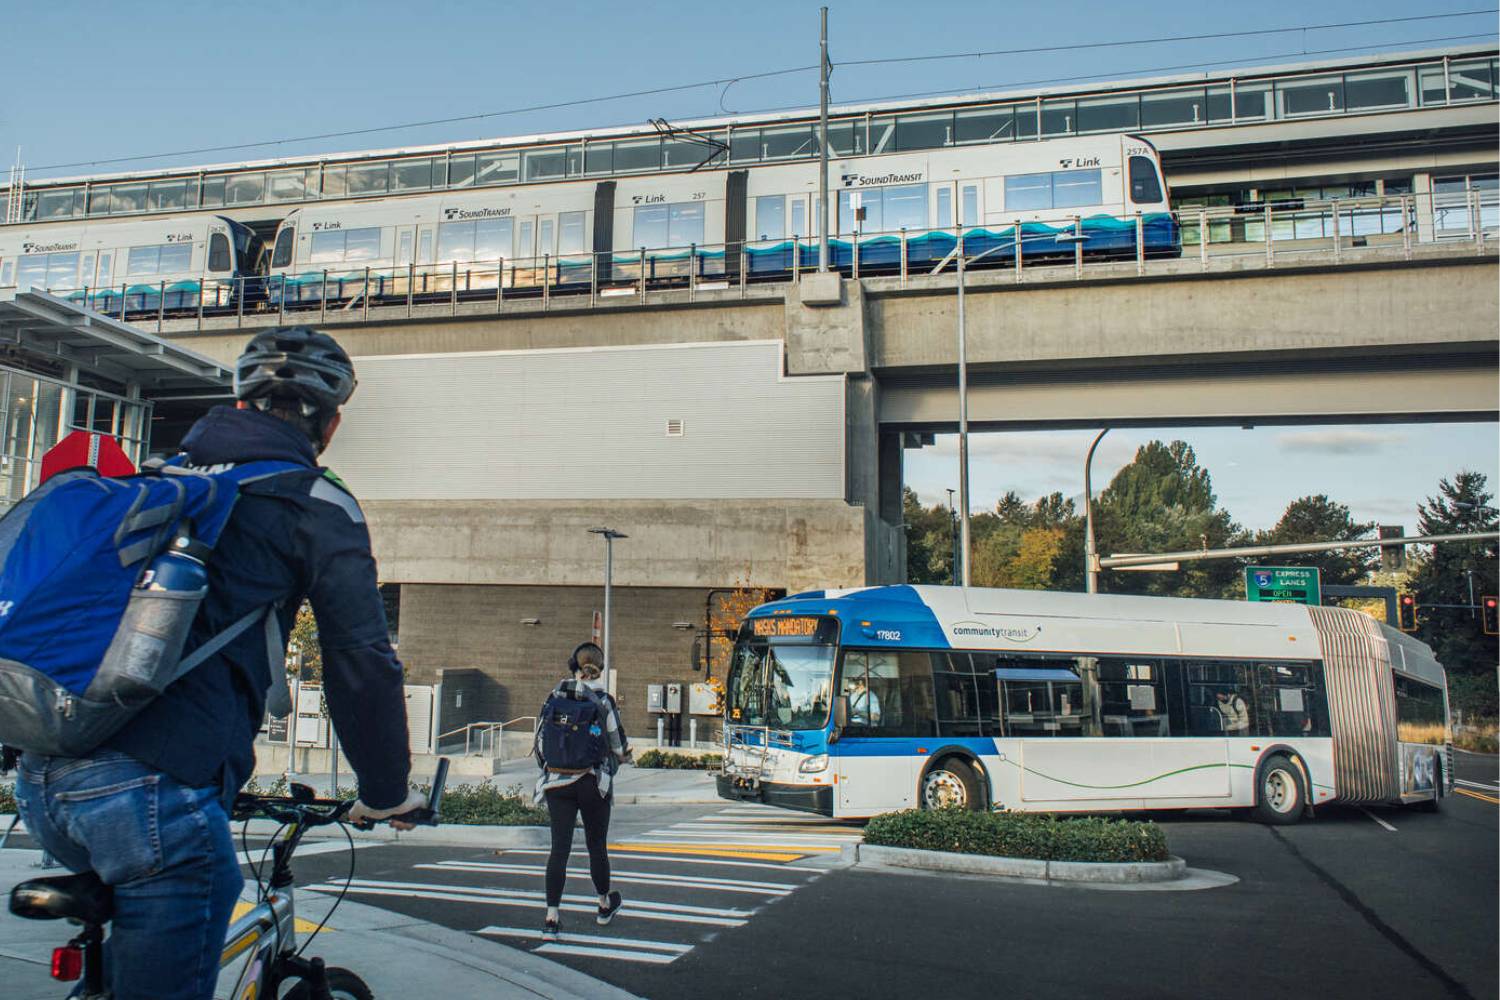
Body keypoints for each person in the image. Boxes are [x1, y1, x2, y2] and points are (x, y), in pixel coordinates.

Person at [14, 327, 422, 1000]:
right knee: (190, 883)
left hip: (44, 778)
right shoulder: (313, 500)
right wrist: (385, 790)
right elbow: (362, 663)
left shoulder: (155, 479)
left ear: (238, 403)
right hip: (149, 793)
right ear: (332, 421)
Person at [534, 642, 631, 938]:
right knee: (595, 846)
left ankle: (551, 918)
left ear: (572, 665)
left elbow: (539, 743)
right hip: (592, 782)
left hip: (557, 782)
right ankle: (604, 904)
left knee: (559, 850)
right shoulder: (604, 699)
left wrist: (551, 770)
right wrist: (623, 755)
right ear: (600, 668)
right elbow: (617, 745)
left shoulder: (554, 695)